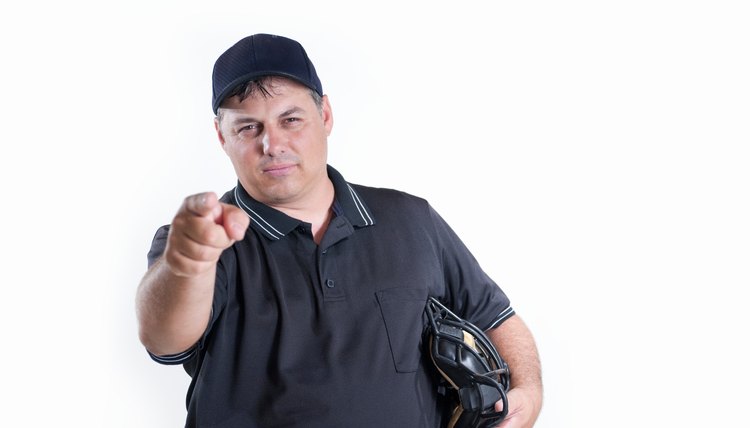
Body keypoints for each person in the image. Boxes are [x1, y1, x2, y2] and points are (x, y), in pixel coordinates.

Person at [136, 33, 543, 428]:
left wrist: (527, 390)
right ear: (221, 136)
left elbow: (495, 316)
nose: (272, 144)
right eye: (248, 127)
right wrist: (188, 263)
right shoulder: (200, 239)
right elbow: (165, 340)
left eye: (290, 119)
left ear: (325, 115)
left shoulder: (411, 219)